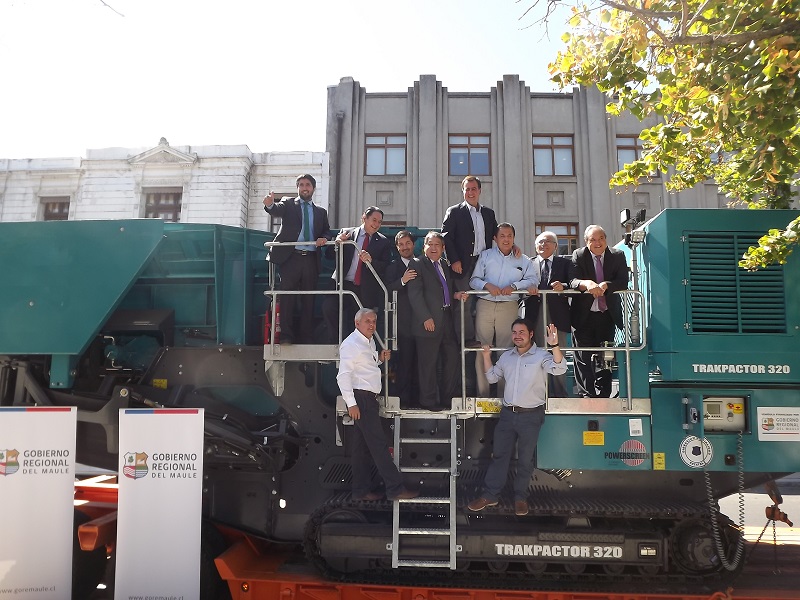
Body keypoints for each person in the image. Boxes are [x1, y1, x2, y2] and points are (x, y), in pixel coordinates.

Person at [467, 319, 566, 516]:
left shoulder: (541, 355)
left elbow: (559, 369)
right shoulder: (506, 357)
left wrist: (554, 345)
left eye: (521, 332)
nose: (517, 335)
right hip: (507, 414)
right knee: (499, 456)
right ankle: (490, 495)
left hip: (531, 416)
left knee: (525, 460)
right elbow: (492, 377)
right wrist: (486, 356)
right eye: (514, 332)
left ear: (531, 334)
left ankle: (520, 498)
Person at [337, 308, 419, 501]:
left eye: (374, 321)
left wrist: (379, 359)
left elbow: (366, 366)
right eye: (367, 321)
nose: (372, 325)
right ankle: (395, 489)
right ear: (357, 323)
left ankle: (360, 491)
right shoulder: (350, 344)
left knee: (361, 449)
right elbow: (343, 376)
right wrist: (351, 404)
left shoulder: (369, 341)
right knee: (378, 445)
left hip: (366, 399)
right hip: (362, 400)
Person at [469, 223, 538, 397]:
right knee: (482, 350)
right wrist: (487, 285)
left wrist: (515, 286)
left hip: (509, 306)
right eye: (502, 236)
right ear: (495, 238)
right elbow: (473, 280)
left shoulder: (523, 259)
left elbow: (533, 281)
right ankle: (483, 395)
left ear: (514, 238)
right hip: (485, 304)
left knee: (506, 352)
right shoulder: (485, 256)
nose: (506, 239)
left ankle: (503, 395)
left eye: (509, 236)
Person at [263, 174, 331, 344]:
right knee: (287, 298)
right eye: (301, 185)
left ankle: (306, 336)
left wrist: (324, 238)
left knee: (309, 298)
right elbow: (276, 210)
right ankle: (286, 336)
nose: (304, 187)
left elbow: (327, 231)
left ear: (313, 188)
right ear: (297, 188)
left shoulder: (321, 212)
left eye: (307, 185)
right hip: (291, 258)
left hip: (311, 259)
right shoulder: (288, 203)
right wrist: (270, 204)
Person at [406, 231, 465, 410]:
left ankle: (448, 399)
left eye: (437, 245)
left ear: (443, 248)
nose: (433, 248)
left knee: (452, 358)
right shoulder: (417, 264)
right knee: (428, 364)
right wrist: (425, 317)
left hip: (446, 319)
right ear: (424, 247)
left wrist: (455, 295)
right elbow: (414, 294)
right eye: (429, 244)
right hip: (427, 322)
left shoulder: (444, 264)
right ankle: (428, 402)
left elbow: (442, 289)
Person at [569, 225, 629, 398]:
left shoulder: (617, 255)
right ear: (586, 242)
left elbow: (623, 281)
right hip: (584, 315)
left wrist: (607, 285)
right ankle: (587, 395)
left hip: (607, 315)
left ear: (606, 239)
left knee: (605, 356)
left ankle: (604, 393)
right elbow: (573, 280)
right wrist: (587, 284)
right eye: (593, 240)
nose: (597, 243)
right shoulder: (579, 255)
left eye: (601, 238)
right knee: (583, 357)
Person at [441, 175, 498, 347]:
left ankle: (485, 338)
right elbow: (446, 237)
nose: (470, 192)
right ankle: (465, 340)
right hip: (463, 265)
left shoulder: (488, 213)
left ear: (479, 191)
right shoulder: (454, 212)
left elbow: (497, 234)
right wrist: (454, 260)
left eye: (474, 189)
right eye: (467, 189)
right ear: (463, 191)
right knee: (464, 302)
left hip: (484, 264)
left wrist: (513, 246)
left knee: (484, 301)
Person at [324, 207, 392, 342]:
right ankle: (337, 343)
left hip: (364, 288)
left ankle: (358, 347)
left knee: (362, 320)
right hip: (342, 284)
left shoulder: (383, 242)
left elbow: (385, 266)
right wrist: (337, 243)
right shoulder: (347, 233)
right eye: (374, 220)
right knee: (328, 307)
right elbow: (328, 255)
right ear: (364, 218)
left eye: (379, 222)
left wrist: (371, 261)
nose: (376, 224)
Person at [524, 231, 573, 397]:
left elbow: (572, 283)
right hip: (535, 314)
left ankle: (560, 394)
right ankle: (540, 394)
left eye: (548, 242)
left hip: (557, 315)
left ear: (555, 246)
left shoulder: (564, 263)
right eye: (540, 242)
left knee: (558, 353)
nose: (543, 245)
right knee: (537, 353)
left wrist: (563, 286)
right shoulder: (528, 263)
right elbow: (520, 283)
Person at [384, 231, 419, 408]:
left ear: (413, 244)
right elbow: (387, 289)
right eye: (401, 244)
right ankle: (404, 402)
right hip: (403, 324)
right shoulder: (392, 267)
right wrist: (403, 281)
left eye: (408, 243)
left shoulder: (422, 263)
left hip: (422, 322)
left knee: (420, 364)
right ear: (397, 247)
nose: (405, 247)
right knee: (405, 364)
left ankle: (419, 400)